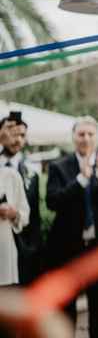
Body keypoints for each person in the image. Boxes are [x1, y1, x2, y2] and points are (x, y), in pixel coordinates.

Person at [46, 116, 98, 338]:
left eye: (90, 134)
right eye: (81, 134)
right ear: (73, 137)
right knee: (66, 307)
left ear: (97, 138)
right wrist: (80, 180)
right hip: (68, 248)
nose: (86, 138)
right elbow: (52, 202)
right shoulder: (59, 167)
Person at [0, 115, 42, 285]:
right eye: (12, 133)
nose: (17, 139)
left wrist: (34, 248)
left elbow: (34, 214)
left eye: (22, 135)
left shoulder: (32, 170)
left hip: (24, 249)